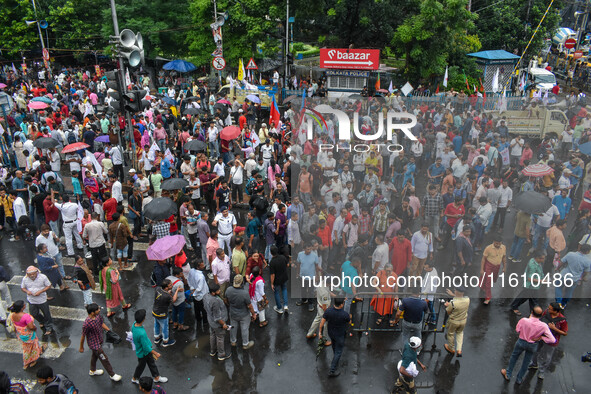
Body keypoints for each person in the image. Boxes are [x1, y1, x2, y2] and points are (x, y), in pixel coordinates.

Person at [501, 306, 556, 384]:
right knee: (526, 362)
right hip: (532, 344)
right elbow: (552, 340)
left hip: (521, 341)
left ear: (532, 312)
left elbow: (517, 329)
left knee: (514, 357)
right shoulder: (543, 325)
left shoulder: (524, 320)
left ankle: (508, 374)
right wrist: (542, 338)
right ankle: (519, 379)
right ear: (540, 315)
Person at [79, 303, 122, 381]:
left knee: (95, 355)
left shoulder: (97, 316)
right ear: (92, 312)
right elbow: (83, 336)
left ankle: (92, 370)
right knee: (104, 358)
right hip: (94, 344)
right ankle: (112, 375)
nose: (99, 310)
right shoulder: (87, 324)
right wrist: (81, 347)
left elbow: (101, 323)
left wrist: (109, 331)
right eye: (97, 309)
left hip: (99, 341)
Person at [529, 302, 568, 380]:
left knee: (547, 356)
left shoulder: (562, 321)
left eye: (550, 309)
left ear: (556, 311)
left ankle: (542, 370)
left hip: (552, 341)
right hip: (541, 336)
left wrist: (554, 328)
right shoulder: (546, 312)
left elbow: (565, 333)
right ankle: (534, 363)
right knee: (535, 350)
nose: (548, 309)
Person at [131, 309, 168, 385]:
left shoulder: (134, 325)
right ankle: (135, 378)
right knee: (141, 366)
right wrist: (156, 353)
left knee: (151, 363)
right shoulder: (141, 334)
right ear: (143, 319)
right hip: (144, 353)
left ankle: (156, 377)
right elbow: (146, 348)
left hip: (142, 352)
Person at [7, 300, 47, 369]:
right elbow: (31, 327)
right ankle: (31, 361)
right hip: (29, 335)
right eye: (24, 305)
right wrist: (35, 328)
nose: (25, 305)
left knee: (27, 347)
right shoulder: (26, 316)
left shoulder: (12, 314)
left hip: (21, 335)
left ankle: (31, 358)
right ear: (22, 308)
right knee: (32, 347)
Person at [318, 298, 351, 377]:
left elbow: (322, 323)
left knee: (334, 345)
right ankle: (332, 370)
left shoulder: (328, 311)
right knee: (338, 351)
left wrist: (320, 333)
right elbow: (349, 322)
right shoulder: (344, 314)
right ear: (341, 305)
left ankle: (335, 358)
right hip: (340, 335)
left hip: (331, 333)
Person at [20, 266, 54, 336]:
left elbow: (48, 285)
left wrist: (41, 291)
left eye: (33, 274)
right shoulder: (25, 279)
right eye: (30, 274)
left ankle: (49, 327)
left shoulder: (43, 277)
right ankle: (42, 321)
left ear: (37, 272)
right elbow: (22, 288)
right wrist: (27, 291)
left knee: (46, 314)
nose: (32, 275)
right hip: (31, 300)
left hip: (42, 299)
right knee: (34, 313)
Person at [225, 274, 257, 349]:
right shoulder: (245, 293)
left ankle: (233, 341)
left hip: (233, 313)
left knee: (233, 327)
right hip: (244, 315)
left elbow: (226, 300)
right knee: (244, 329)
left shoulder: (228, 290)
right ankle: (245, 344)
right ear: (242, 283)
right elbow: (249, 306)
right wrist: (253, 314)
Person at [510, 250, 545, 315]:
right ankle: (533, 314)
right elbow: (529, 278)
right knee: (533, 300)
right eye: (542, 258)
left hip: (534, 285)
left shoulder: (536, 262)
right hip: (530, 285)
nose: (543, 259)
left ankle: (515, 306)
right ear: (537, 258)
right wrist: (541, 281)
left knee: (526, 297)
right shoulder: (532, 265)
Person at [203, 283, 231, 361]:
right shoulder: (215, 301)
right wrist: (224, 324)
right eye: (218, 290)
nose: (220, 291)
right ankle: (221, 354)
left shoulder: (206, 296)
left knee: (212, 335)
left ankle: (213, 351)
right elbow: (217, 317)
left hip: (211, 321)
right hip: (218, 324)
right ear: (213, 292)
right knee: (220, 338)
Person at [152, 278, 180, 347]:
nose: (172, 285)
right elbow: (173, 300)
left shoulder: (158, 289)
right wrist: (177, 291)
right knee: (165, 327)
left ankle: (157, 338)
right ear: (166, 287)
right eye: (170, 285)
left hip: (155, 311)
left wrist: (168, 292)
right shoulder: (167, 296)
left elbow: (163, 294)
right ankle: (165, 341)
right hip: (162, 314)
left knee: (156, 325)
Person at [443, 286, 470, 357]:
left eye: (455, 290)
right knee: (460, 333)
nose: (454, 291)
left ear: (457, 292)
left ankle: (451, 348)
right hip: (463, 320)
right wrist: (453, 295)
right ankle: (459, 350)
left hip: (454, 321)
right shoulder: (467, 299)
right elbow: (460, 298)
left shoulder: (452, 303)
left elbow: (449, 312)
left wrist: (447, 305)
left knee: (450, 334)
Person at [479, 236, 507, 305]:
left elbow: (504, 258)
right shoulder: (488, 248)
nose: (498, 245)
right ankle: (488, 297)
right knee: (489, 281)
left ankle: (482, 285)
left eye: (499, 244)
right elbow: (483, 259)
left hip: (497, 267)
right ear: (493, 242)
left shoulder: (503, 247)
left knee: (494, 279)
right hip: (488, 265)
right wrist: (482, 269)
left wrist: (504, 267)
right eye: (496, 243)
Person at [269, 245, 289, 313]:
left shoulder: (272, 262)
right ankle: (286, 305)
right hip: (284, 277)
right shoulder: (283, 257)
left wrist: (271, 283)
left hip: (277, 280)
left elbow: (272, 274)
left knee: (276, 292)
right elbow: (287, 265)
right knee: (284, 290)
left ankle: (279, 308)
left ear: (271, 253)